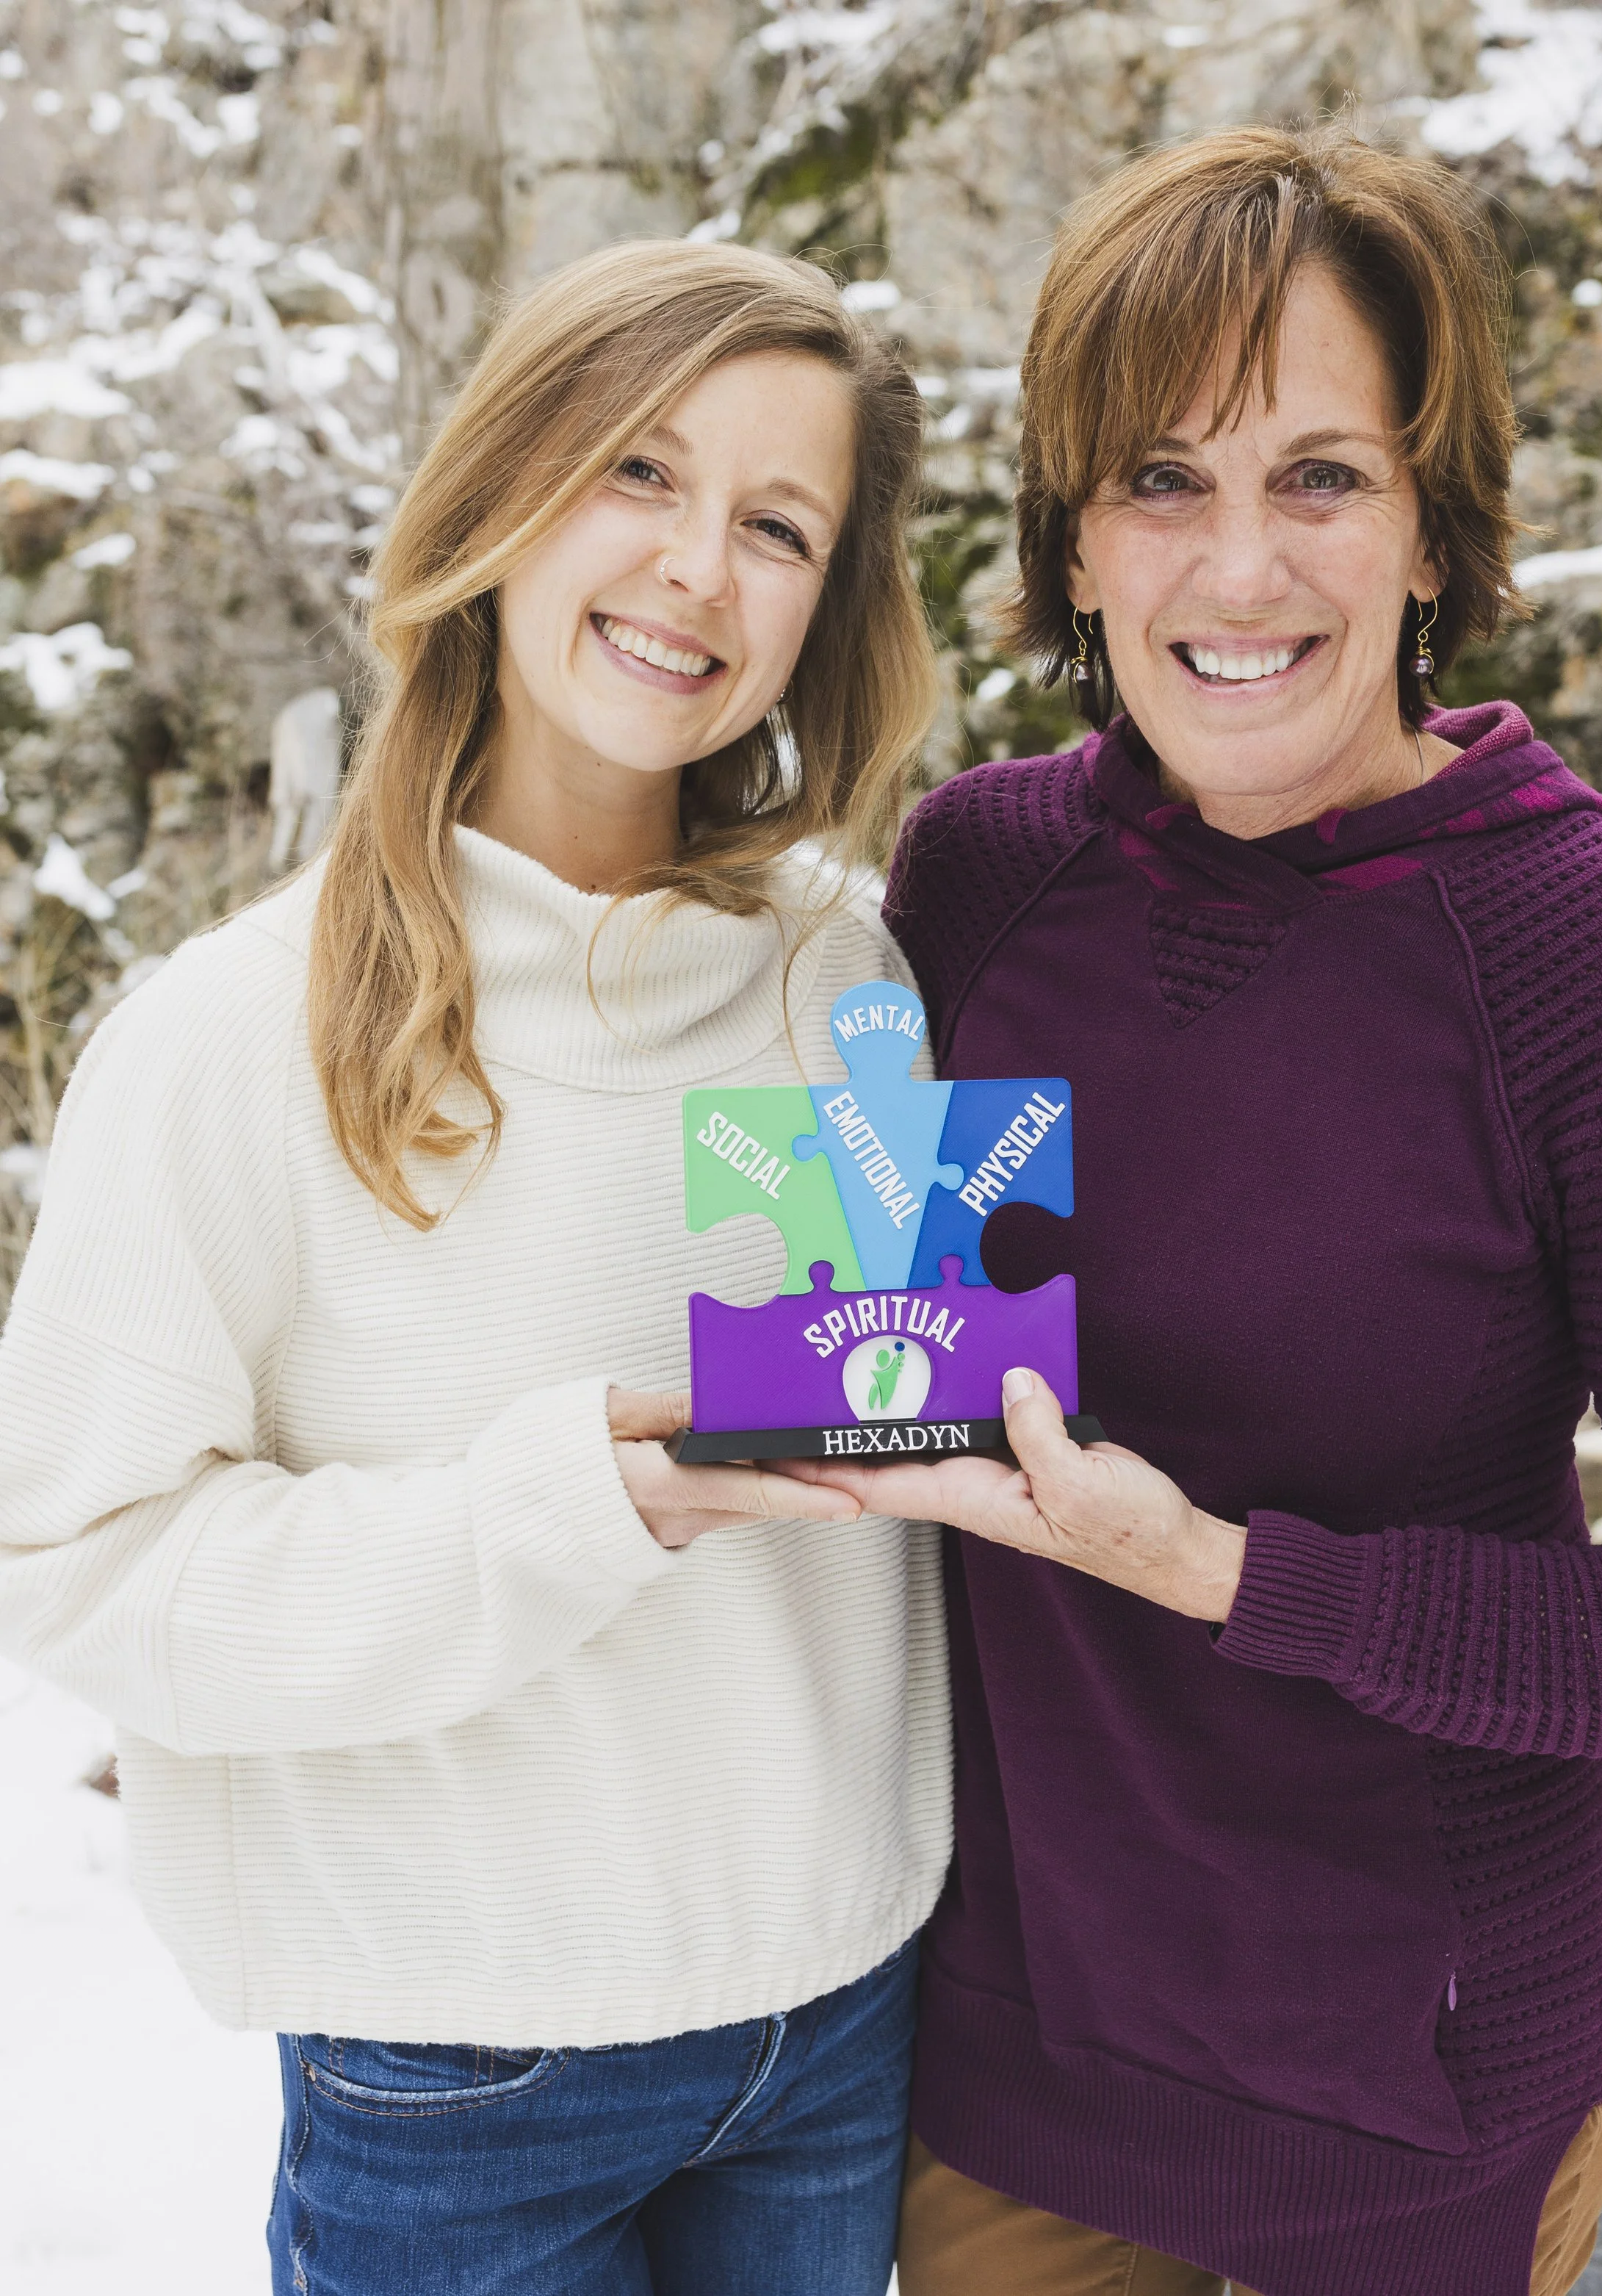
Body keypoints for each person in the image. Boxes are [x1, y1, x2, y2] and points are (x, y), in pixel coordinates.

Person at [790, 124, 1602, 2296]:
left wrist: (1224, 1573)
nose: (1235, 567)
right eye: (1159, 480)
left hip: (1408, 2122)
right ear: (1070, 546)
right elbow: (904, 1336)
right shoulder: (972, 880)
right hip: (1006, 2080)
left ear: (1434, 528)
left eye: (1321, 477)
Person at [0, 240, 951, 2295]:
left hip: (840, 2018)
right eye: (636, 469)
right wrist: (572, 1502)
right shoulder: (232, 1031)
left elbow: (880, 1419)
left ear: (823, 607)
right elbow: (78, 1568)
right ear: (500, 493)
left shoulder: (842, 977)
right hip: (457, 2070)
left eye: (775, 524)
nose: (698, 566)